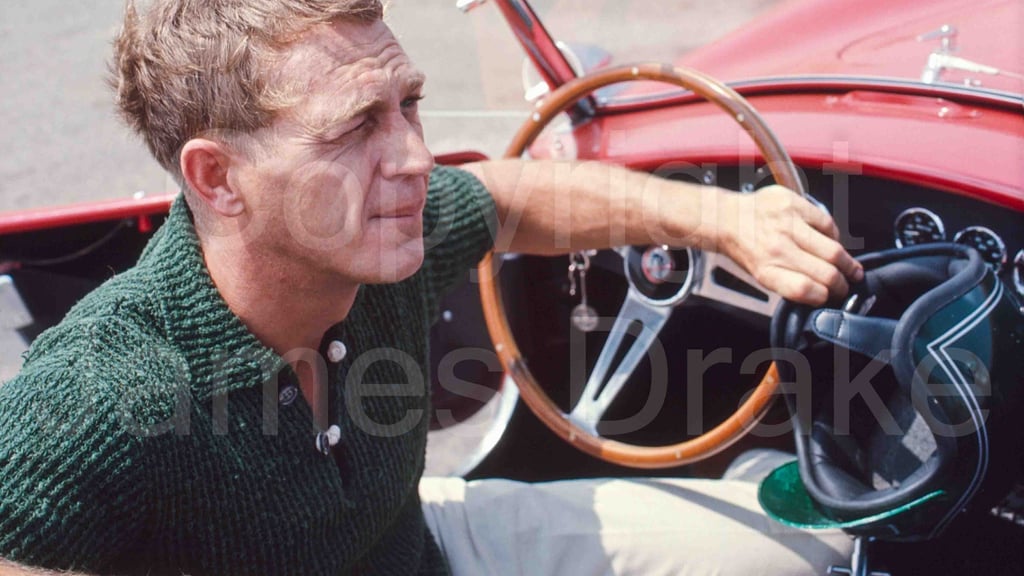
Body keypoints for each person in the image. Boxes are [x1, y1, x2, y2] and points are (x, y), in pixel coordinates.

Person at [0, 1, 863, 574]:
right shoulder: (97, 399)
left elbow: (509, 195)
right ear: (219, 178)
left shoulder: (373, 239)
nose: (414, 158)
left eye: (407, 105)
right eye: (354, 127)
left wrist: (728, 222)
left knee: (808, 557)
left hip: (424, 543)